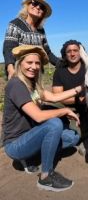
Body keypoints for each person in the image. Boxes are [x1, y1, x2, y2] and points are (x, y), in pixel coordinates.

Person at [2, 45, 82, 192]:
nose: (34, 67)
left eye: (37, 63)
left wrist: (79, 88)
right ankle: (46, 177)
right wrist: (64, 110)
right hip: (15, 144)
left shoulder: (31, 84)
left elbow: (54, 97)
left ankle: (35, 155)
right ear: (20, 64)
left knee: (72, 137)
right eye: (29, 62)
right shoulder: (16, 85)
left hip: (30, 136)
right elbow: (38, 117)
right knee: (54, 124)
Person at [3, 0, 59, 80]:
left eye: (42, 7)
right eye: (35, 3)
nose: (38, 7)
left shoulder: (41, 30)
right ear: (27, 6)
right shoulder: (15, 24)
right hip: (19, 74)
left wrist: (63, 64)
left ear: (43, 13)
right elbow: (8, 47)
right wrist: (11, 69)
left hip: (37, 74)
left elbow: (47, 52)